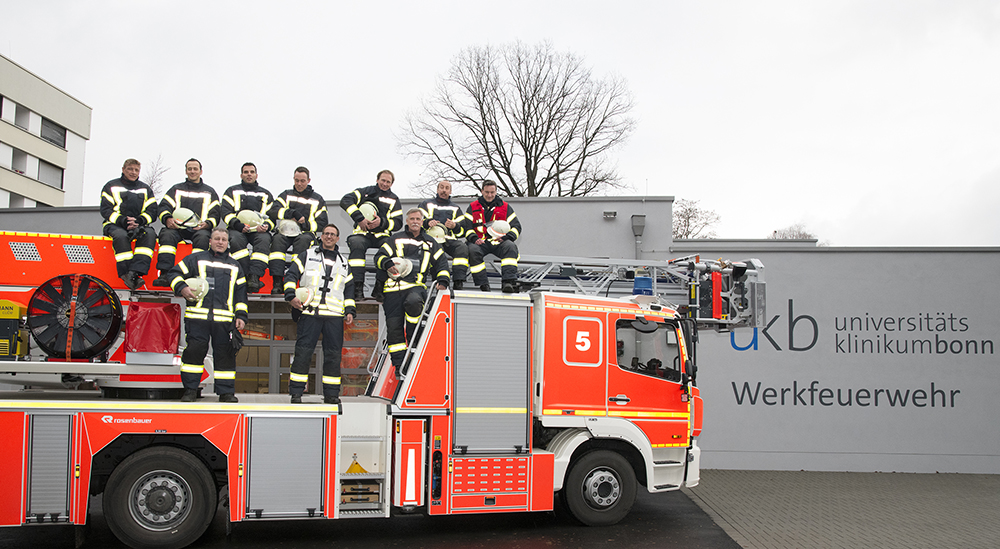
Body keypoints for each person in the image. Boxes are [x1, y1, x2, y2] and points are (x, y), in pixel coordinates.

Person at [166, 226, 248, 403]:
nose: (220, 242)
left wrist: (241, 316)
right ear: (210, 241)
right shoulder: (195, 259)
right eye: (216, 239)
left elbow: (241, 294)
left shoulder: (235, 266)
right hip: (197, 318)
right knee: (194, 354)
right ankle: (190, 390)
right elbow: (173, 273)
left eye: (223, 240)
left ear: (228, 243)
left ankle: (226, 392)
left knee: (225, 356)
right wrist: (182, 288)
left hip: (225, 321)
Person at [283, 224, 355, 404]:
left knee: (333, 356)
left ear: (338, 238)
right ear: (321, 236)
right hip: (310, 312)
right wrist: (291, 296)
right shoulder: (307, 255)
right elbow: (291, 275)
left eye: (333, 234)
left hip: (334, 315)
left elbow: (349, 290)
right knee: (303, 353)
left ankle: (331, 394)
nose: (329, 237)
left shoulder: (344, 263)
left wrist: (350, 310)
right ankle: (296, 392)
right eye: (326, 234)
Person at [374, 208, 450, 373]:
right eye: (412, 219)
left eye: (418, 219)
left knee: (414, 303)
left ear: (422, 221)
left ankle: (414, 343)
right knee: (394, 330)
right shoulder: (394, 239)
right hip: (392, 291)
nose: (415, 221)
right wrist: (387, 263)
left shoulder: (430, 242)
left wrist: (443, 279)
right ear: (407, 221)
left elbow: (442, 263)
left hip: (416, 287)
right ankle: (399, 365)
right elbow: (379, 257)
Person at [153, 159, 221, 287]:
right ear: (186, 171)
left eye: (195, 169)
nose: (192, 171)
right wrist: (167, 219)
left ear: (201, 171)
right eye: (189, 169)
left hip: (199, 229)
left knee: (203, 238)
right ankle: (164, 274)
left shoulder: (209, 192)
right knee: (166, 235)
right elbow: (164, 207)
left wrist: (207, 224)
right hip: (177, 228)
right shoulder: (176, 189)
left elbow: (215, 214)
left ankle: (194, 274)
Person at [340, 169, 402, 302]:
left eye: (388, 182)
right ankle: (357, 288)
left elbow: (398, 223)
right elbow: (345, 200)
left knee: (388, 248)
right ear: (377, 179)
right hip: (361, 234)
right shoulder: (364, 192)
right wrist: (359, 218)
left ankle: (379, 287)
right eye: (383, 180)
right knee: (356, 245)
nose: (385, 184)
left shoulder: (394, 200)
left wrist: (382, 222)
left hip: (382, 235)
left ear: (392, 184)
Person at [267, 166, 328, 294]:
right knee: (277, 242)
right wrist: (291, 213)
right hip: (284, 232)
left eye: (302, 181)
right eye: (296, 180)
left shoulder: (317, 200)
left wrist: (304, 223)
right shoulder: (286, 195)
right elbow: (273, 211)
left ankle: (296, 280)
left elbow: (322, 223)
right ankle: (277, 282)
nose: (299, 184)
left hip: (305, 234)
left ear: (308, 180)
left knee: (302, 243)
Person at [99, 158, 158, 290]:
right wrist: (123, 221)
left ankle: (136, 273)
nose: (133, 172)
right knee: (121, 236)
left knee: (150, 234)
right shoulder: (111, 186)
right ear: (123, 170)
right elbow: (106, 210)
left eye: (136, 170)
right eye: (130, 169)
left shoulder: (145, 189)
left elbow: (153, 211)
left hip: (139, 225)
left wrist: (139, 221)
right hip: (115, 224)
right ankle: (125, 274)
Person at [221, 162, 274, 293]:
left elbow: (272, 216)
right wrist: (237, 225)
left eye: (251, 172)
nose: (249, 174)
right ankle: (244, 275)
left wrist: (267, 226)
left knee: (264, 241)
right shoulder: (231, 191)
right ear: (241, 175)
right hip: (238, 229)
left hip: (259, 230)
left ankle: (254, 277)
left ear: (256, 175)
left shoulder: (266, 194)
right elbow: (225, 212)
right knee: (236, 241)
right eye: (246, 172)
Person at [466, 180, 522, 293]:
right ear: (482, 191)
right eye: (486, 192)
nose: (489, 195)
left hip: (499, 242)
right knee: (472, 250)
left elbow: (516, 227)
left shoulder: (506, 207)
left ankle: (508, 282)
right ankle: (483, 284)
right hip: (480, 243)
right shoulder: (472, 207)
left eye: (492, 192)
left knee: (510, 247)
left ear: (496, 191)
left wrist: (507, 238)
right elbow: (467, 228)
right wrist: (474, 239)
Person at [418, 180, 470, 290]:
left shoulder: (456, 208)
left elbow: (462, 231)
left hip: (448, 239)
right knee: (436, 253)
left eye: (447, 188)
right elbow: (417, 223)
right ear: (437, 190)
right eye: (441, 187)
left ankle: (458, 281)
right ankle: (437, 280)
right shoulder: (426, 204)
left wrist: (454, 226)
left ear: (450, 191)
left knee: (462, 248)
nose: (444, 190)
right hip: (431, 240)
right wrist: (427, 223)